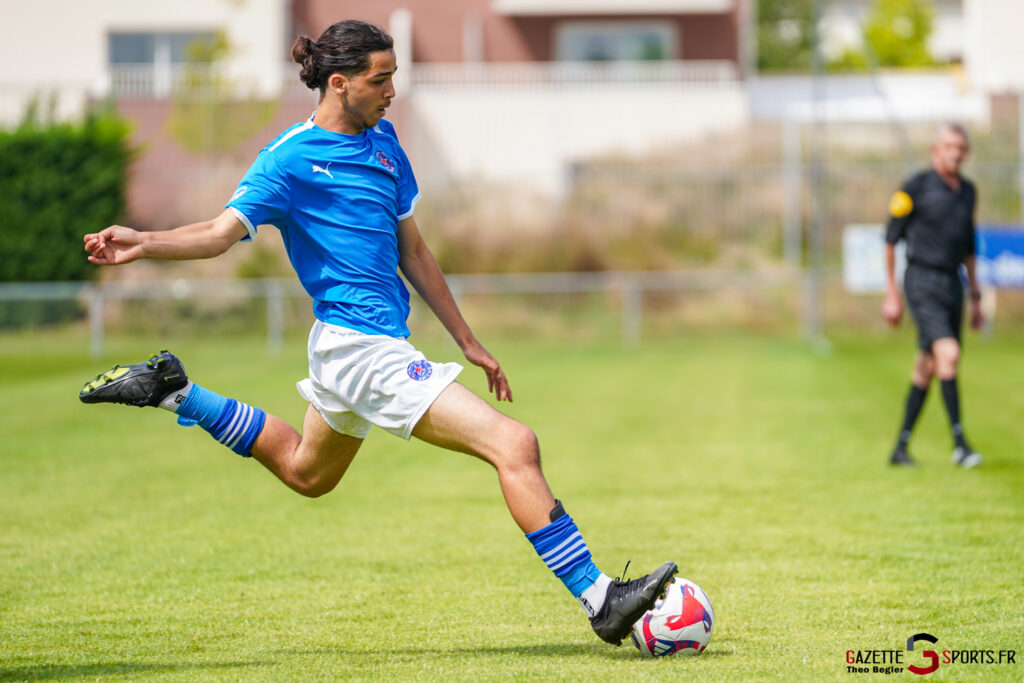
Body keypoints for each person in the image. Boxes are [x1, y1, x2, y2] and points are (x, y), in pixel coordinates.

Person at [78, 19, 675, 645]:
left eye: (394, 78)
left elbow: (412, 252)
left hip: (364, 346)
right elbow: (219, 233)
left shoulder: (387, 144)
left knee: (308, 473)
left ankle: (175, 391)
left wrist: (467, 340)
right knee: (514, 445)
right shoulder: (288, 159)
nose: (393, 92)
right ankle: (600, 597)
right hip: (358, 348)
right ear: (339, 83)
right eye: (381, 80)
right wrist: (143, 241)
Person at [882, 123, 984, 468]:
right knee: (949, 354)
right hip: (921, 280)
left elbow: (970, 247)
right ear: (935, 150)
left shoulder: (968, 191)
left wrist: (976, 296)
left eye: (960, 147)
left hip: (952, 283)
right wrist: (891, 293)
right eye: (949, 146)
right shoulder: (915, 188)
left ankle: (900, 447)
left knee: (926, 367)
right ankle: (960, 444)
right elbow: (889, 241)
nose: (955, 153)